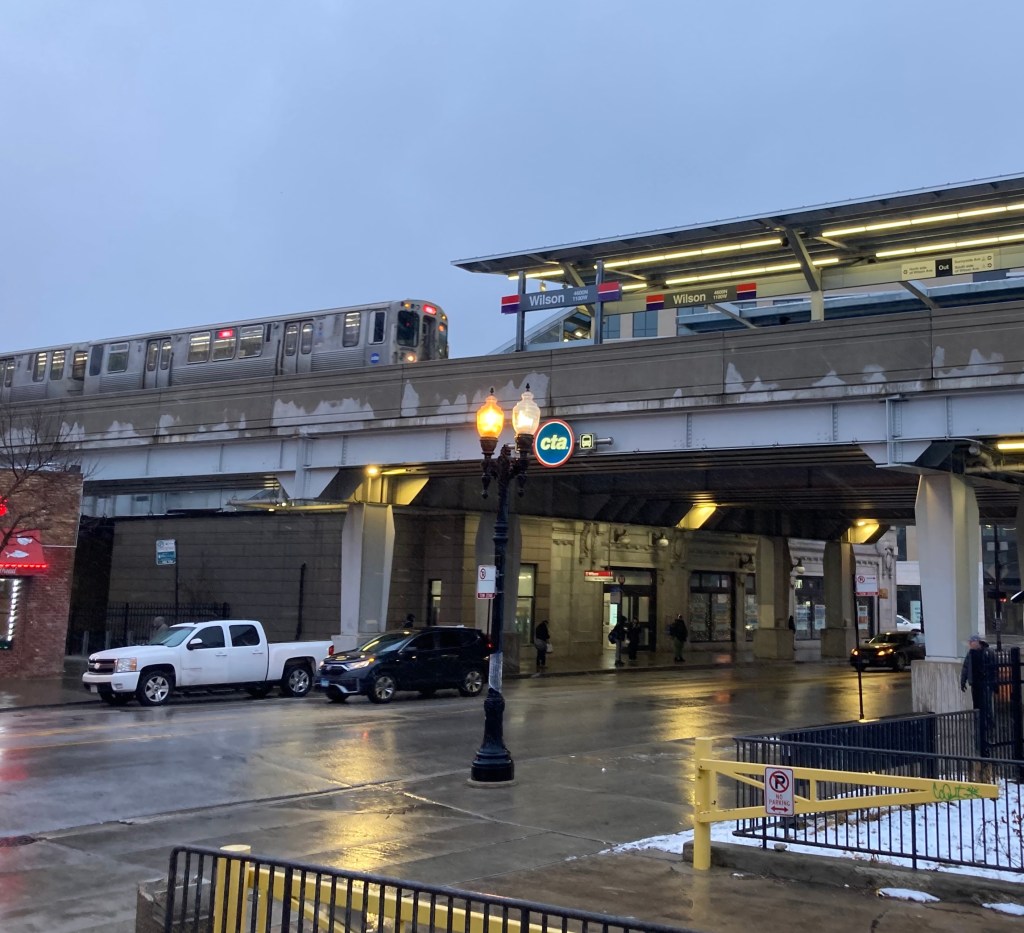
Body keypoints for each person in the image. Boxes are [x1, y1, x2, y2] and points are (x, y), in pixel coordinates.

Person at [960, 633, 996, 717]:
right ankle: (979, 724)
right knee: (977, 705)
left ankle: (989, 723)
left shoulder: (988, 652)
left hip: (985, 683)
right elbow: (965, 667)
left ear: (977, 642)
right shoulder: (970, 654)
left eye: (971, 641)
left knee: (987, 704)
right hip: (975, 684)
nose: (969, 644)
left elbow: (993, 669)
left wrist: (994, 682)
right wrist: (963, 681)